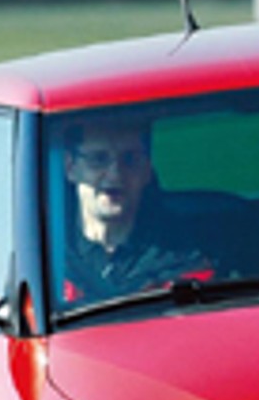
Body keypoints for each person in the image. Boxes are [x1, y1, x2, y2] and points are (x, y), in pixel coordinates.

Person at [59, 121, 209, 302]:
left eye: (130, 159)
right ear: (70, 168)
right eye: (98, 159)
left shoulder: (185, 259)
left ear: (147, 170)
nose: (116, 174)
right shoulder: (40, 258)